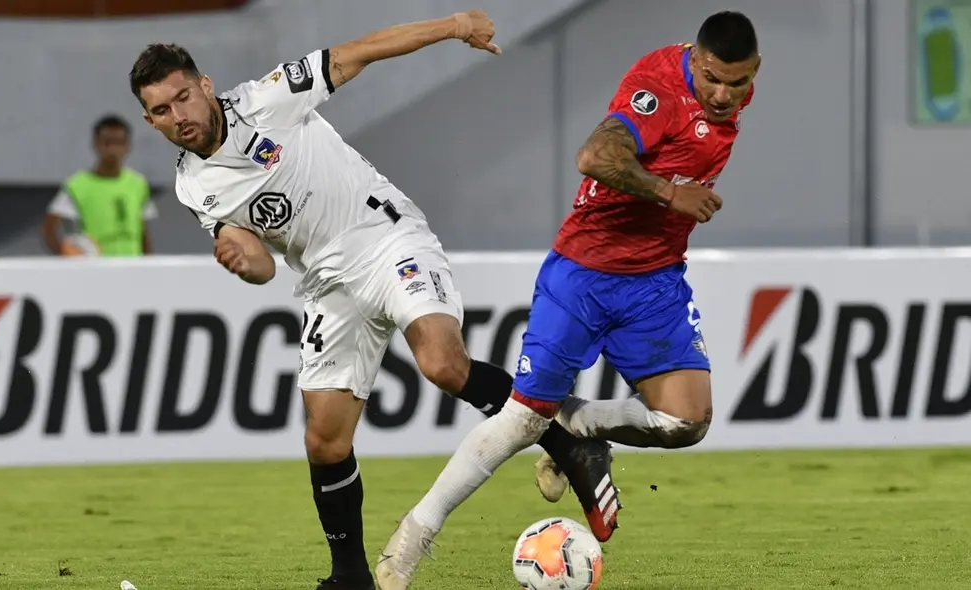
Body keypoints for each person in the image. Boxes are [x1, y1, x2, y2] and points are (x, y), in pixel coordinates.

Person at [128, 10, 615, 590]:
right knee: (324, 439)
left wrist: (456, 24)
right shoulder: (193, 185)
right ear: (149, 119)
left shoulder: (267, 99)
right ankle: (350, 577)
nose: (178, 116)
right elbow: (256, 262)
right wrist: (242, 259)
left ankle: (573, 445)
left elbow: (360, 51)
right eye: (161, 110)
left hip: (384, 236)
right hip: (326, 283)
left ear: (204, 86)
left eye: (183, 97)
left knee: (442, 364)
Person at [375, 10, 760, 589]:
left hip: (655, 281)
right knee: (520, 422)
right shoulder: (658, 89)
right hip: (583, 273)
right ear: (696, 60)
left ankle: (579, 429)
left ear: (754, 71)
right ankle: (411, 539)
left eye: (738, 82)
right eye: (712, 79)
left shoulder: (729, 89)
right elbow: (594, 157)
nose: (724, 95)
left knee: (687, 421)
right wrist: (667, 192)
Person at [41, 115, 157, 256]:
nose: (113, 149)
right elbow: (49, 230)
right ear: (96, 144)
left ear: (128, 146)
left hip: (132, 269)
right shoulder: (77, 185)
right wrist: (67, 255)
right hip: (96, 271)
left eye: (119, 142)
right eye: (107, 142)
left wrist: (147, 265)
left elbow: (143, 232)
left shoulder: (138, 184)